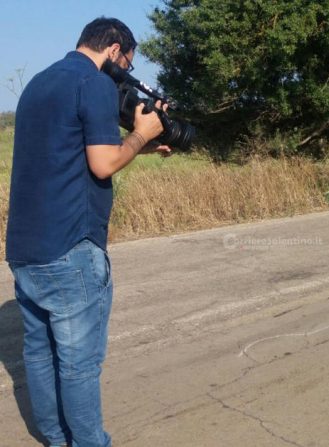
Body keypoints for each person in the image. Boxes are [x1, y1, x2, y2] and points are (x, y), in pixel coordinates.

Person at [5, 17, 171, 447]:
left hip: (25, 247)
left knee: (40, 354)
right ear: (114, 50)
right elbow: (103, 164)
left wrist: (143, 145)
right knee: (79, 364)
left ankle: (56, 439)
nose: (124, 75)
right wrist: (141, 132)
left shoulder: (39, 83)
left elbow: (72, 152)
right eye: (127, 65)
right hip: (70, 246)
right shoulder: (94, 82)